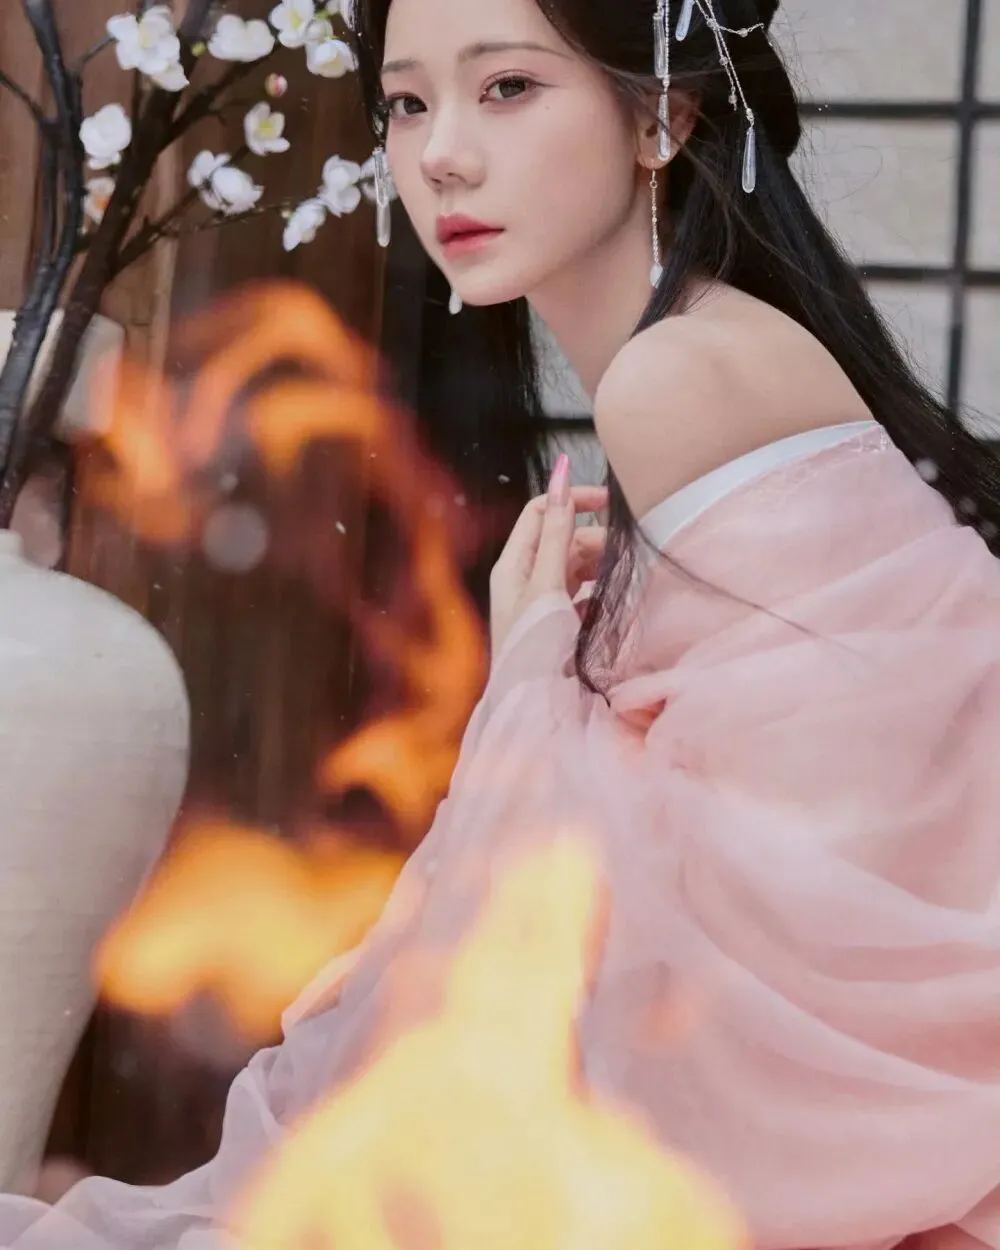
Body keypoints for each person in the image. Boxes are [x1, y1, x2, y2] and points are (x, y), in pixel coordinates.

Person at [4, 0, 1000, 1245]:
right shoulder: (698, 358)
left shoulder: (678, 378)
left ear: (662, 115)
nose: (440, 156)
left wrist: (532, 668)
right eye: (407, 102)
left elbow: (781, 928)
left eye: (508, 88)